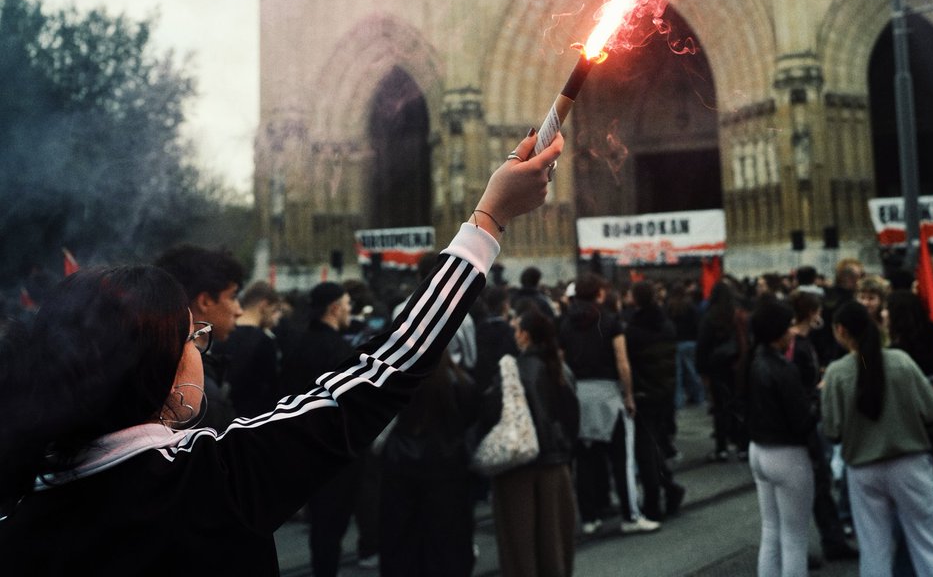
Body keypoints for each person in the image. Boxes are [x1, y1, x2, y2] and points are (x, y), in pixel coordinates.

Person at [0, 129, 562, 575]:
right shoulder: (215, 479)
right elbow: (388, 365)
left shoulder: (23, 517)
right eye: (192, 339)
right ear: (159, 376)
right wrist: (489, 218)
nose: (206, 347)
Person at [821, 302, 933, 577]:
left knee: (874, 550)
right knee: (929, 543)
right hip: (909, 461)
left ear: (841, 331)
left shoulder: (836, 373)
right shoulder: (901, 361)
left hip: (864, 467)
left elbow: (832, 430)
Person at [559, 272, 656, 533]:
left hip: (579, 395)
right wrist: (628, 395)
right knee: (622, 459)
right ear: (599, 294)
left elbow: (559, 364)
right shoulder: (611, 321)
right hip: (609, 395)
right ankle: (631, 516)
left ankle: (589, 518)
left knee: (586, 460)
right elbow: (622, 363)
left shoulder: (564, 323)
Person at [488, 310, 580, 577]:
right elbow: (572, 418)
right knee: (553, 543)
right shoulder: (562, 370)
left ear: (524, 336)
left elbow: (491, 411)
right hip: (555, 466)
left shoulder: (511, 370)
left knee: (520, 547)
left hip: (518, 466)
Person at [378, 350, 479, 577]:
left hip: (401, 468)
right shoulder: (462, 383)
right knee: (448, 547)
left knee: (402, 545)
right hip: (449, 470)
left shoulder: (398, 382)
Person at [747, 299, 818, 577]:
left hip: (759, 449)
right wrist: (818, 400)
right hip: (788, 454)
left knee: (771, 531)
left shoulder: (753, 361)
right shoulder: (783, 368)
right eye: (789, 325)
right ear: (778, 331)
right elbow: (802, 421)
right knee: (795, 538)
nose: (793, 331)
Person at [789, 289, 857, 566]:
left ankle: (830, 540)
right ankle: (829, 542)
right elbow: (795, 385)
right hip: (807, 419)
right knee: (816, 485)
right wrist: (818, 388)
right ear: (812, 313)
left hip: (805, 419)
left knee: (816, 486)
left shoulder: (797, 342)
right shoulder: (798, 344)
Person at [154, 243, 246, 430]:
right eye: (233, 296)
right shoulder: (198, 395)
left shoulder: (152, 366)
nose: (239, 311)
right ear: (205, 301)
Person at [624, 281, 686, 521]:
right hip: (664, 392)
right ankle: (669, 488)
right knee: (655, 445)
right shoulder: (667, 325)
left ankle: (654, 500)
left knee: (645, 450)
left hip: (645, 394)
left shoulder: (634, 330)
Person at [697, 280, 748, 463]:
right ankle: (743, 446)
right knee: (739, 405)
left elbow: (702, 345)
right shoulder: (738, 314)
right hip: (737, 365)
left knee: (719, 408)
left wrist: (701, 369)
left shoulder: (710, 316)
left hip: (716, 367)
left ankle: (722, 448)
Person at [224, 280, 283, 418]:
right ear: (264, 305)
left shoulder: (222, 335)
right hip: (252, 420)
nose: (276, 319)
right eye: (274, 310)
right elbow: (271, 391)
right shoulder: (265, 341)